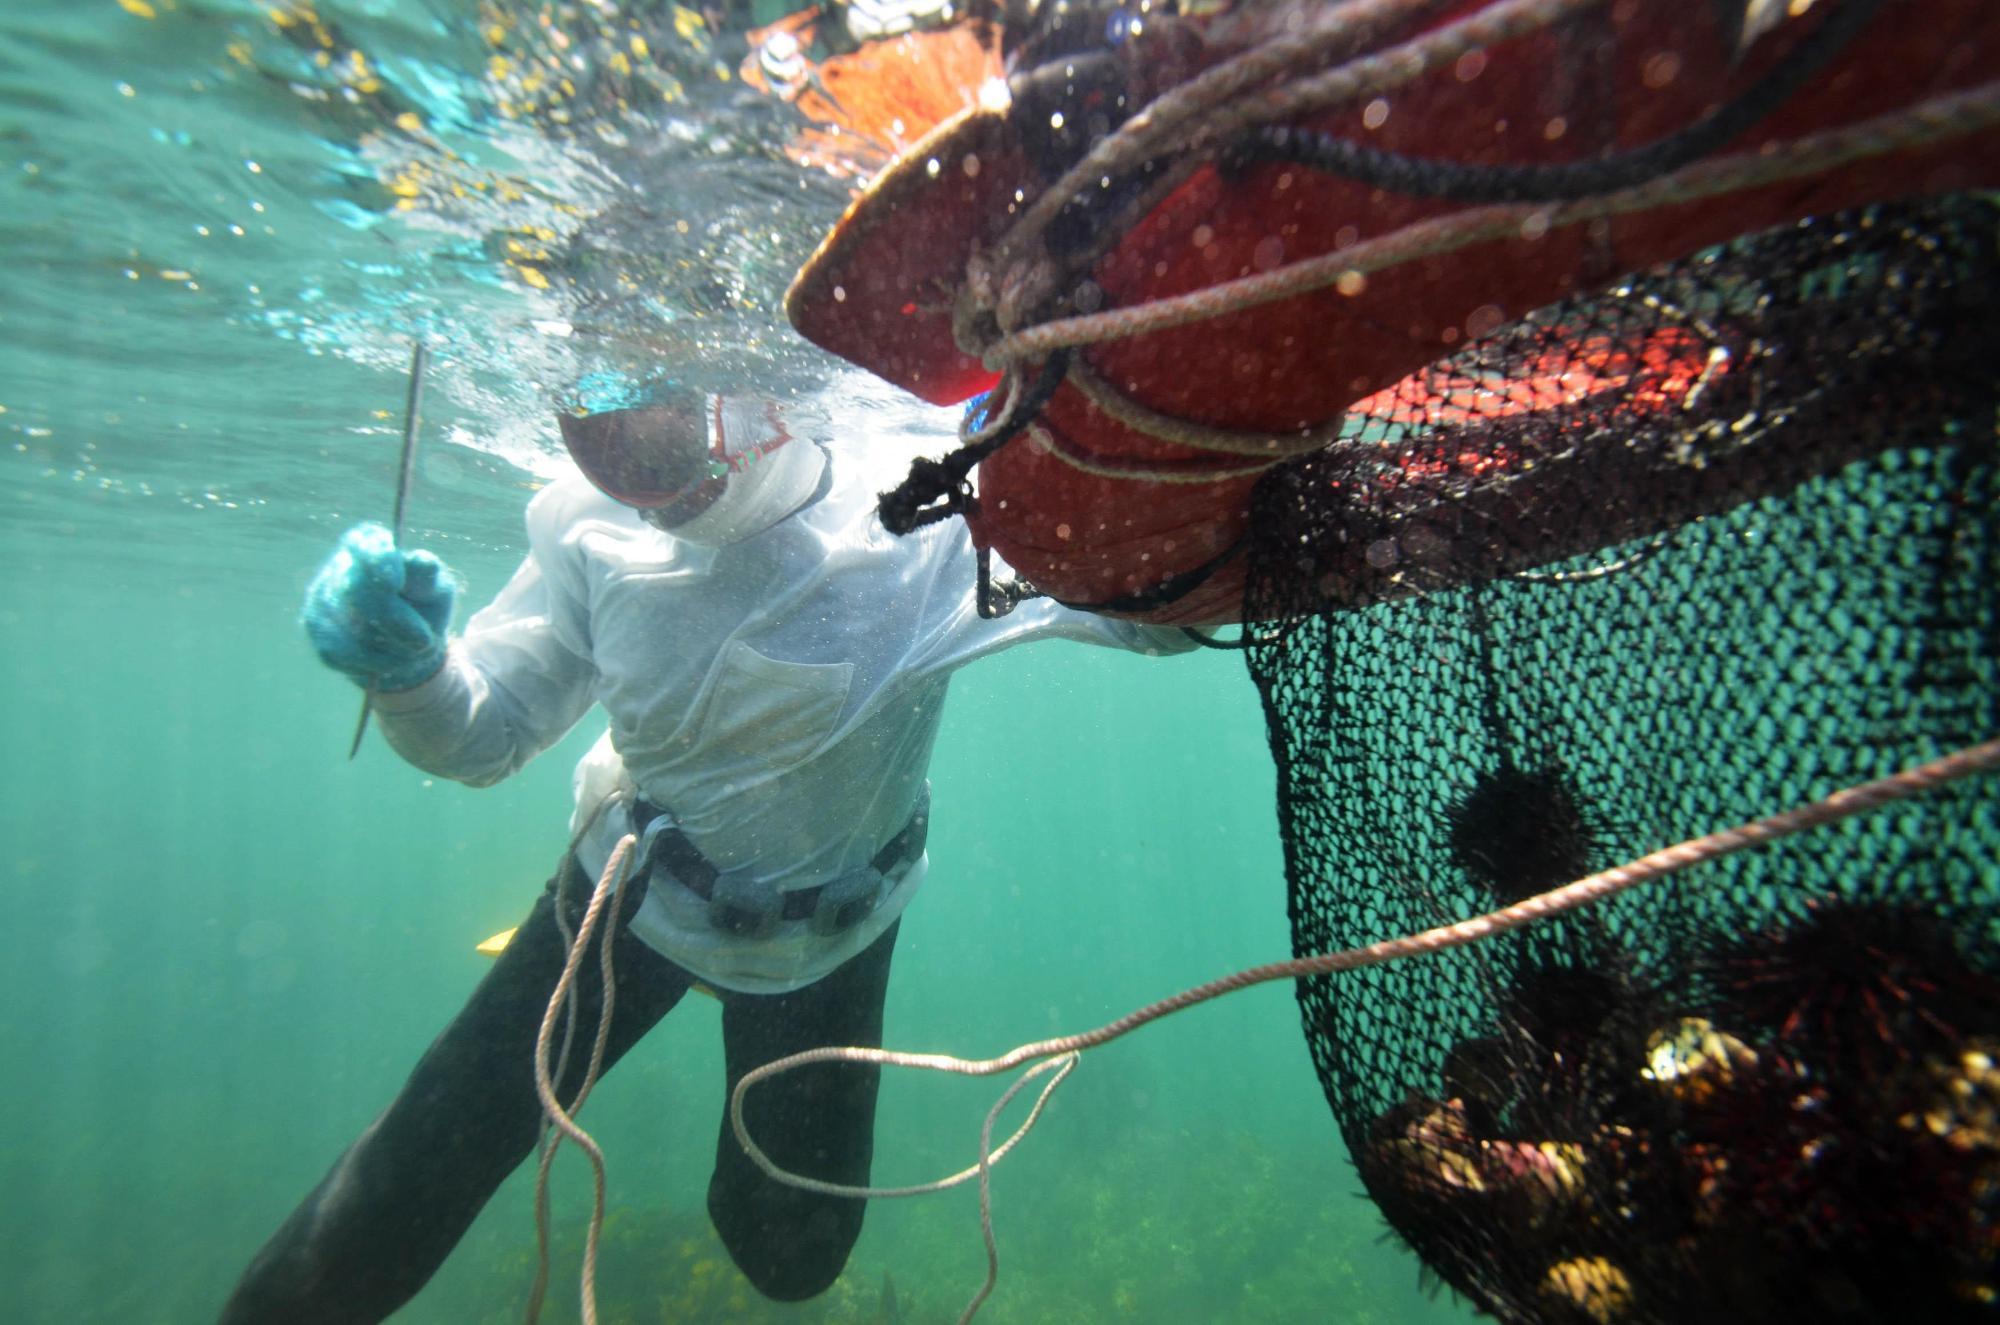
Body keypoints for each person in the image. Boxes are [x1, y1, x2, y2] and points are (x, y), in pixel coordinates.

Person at [221, 388, 1194, 1324]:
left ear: (765, 402)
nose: (647, 492)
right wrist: (409, 671)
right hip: (632, 884)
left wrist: (1198, 506)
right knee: (389, 1200)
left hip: (820, 931)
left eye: (665, 452)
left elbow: (1138, 613)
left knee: (793, 1256)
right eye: (598, 441)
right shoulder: (583, 521)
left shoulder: (922, 506)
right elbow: (487, 735)